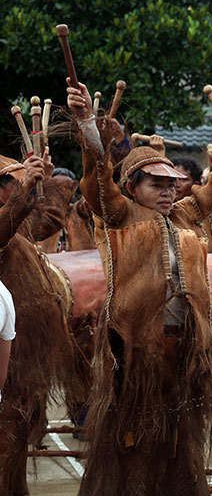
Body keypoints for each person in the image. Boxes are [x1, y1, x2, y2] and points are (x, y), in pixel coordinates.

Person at [68, 79, 212, 496]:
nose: (168, 192)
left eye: (171, 185)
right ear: (132, 187)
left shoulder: (185, 214)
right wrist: (87, 121)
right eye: (156, 185)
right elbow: (96, 181)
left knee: (180, 444)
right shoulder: (117, 215)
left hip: (185, 353)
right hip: (134, 354)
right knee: (132, 442)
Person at [0, 152, 76, 495]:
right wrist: (26, 190)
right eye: (17, 184)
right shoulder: (8, 221)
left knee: (15, 440)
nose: (24, 189)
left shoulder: (18, 223)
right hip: (7, 358)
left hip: (22, 361)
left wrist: (48, 183)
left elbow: (50, 221)